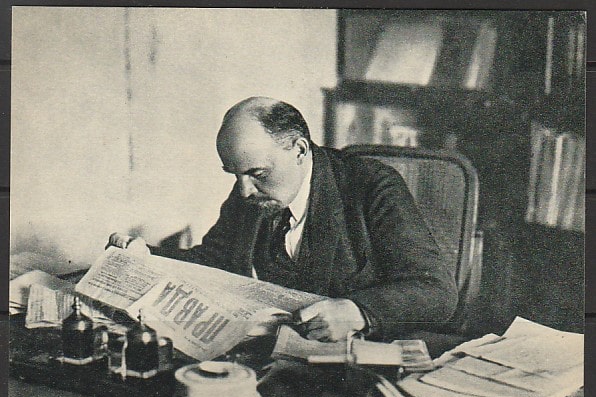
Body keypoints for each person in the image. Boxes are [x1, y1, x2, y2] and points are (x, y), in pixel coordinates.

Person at [108, 96, 457, 343]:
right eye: (235, 175)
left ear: (300, 150)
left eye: (258, 173)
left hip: (358, 356)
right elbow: (214, 261)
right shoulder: (251, 191)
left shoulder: (371, 185)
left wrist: (358, 312)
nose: (243, 190)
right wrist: (149, 258)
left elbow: (436, 291)